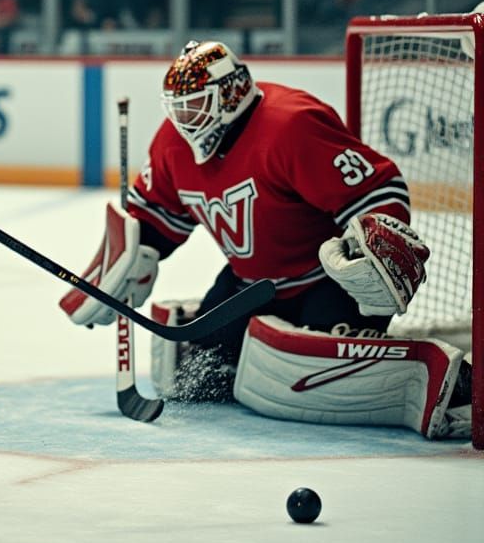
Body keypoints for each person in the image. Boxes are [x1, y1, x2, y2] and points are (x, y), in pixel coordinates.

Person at [59, 40, 471, 441]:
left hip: (324, 281)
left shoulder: (291, 124)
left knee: (319, 373)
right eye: (178, 107)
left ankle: (458, 383)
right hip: (249, 286)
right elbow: (154, 216)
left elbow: (375, 190)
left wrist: (371, 248)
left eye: (196, 105)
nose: (185, 119)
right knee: (200, 374)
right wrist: (137, 257)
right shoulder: (172, 144)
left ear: (230, 94)